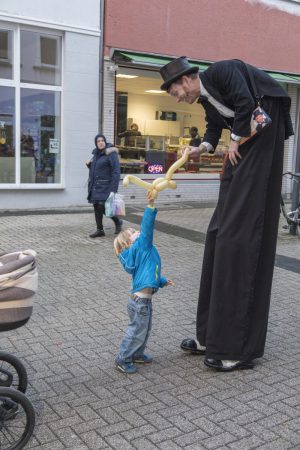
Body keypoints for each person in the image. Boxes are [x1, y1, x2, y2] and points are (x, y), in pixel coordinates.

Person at [159, 56, 293, 371]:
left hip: (266, 122)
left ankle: (239, 348)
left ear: (187, 80)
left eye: (176, 91)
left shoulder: (224, 70)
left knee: (239, 236)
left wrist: (234, 141)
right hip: (248, 132)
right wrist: (201, 149)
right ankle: (212, 337)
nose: (178, 98)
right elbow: (214, 127)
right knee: (219, 234)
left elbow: (246, 103)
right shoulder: (207, 97)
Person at [114, 195, 174, 374]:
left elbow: (148, 274)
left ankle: (137, 354)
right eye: (133, 232)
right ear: (130, 242)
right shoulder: (142, 246)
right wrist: (150, 207)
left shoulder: (141, 251)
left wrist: (162, 281)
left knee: (144, 330)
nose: (137, 232)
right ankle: (122, 358)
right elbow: (147, 227)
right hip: (140, 302)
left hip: (142, 301)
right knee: (136, 331)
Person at [86, 134, 123, 237]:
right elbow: (97, 170)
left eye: (102, 140)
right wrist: (89, 165)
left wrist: (113, 189)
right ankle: (100, 230)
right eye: (98, 141)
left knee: (103, 207)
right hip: (95, 186)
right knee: (96, 207)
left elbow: (116, 172)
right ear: (96, 143)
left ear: (105, 142)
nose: (101, 142)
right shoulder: (96, 154)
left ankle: (118, 221)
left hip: (106, 186)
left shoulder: (111, 153)